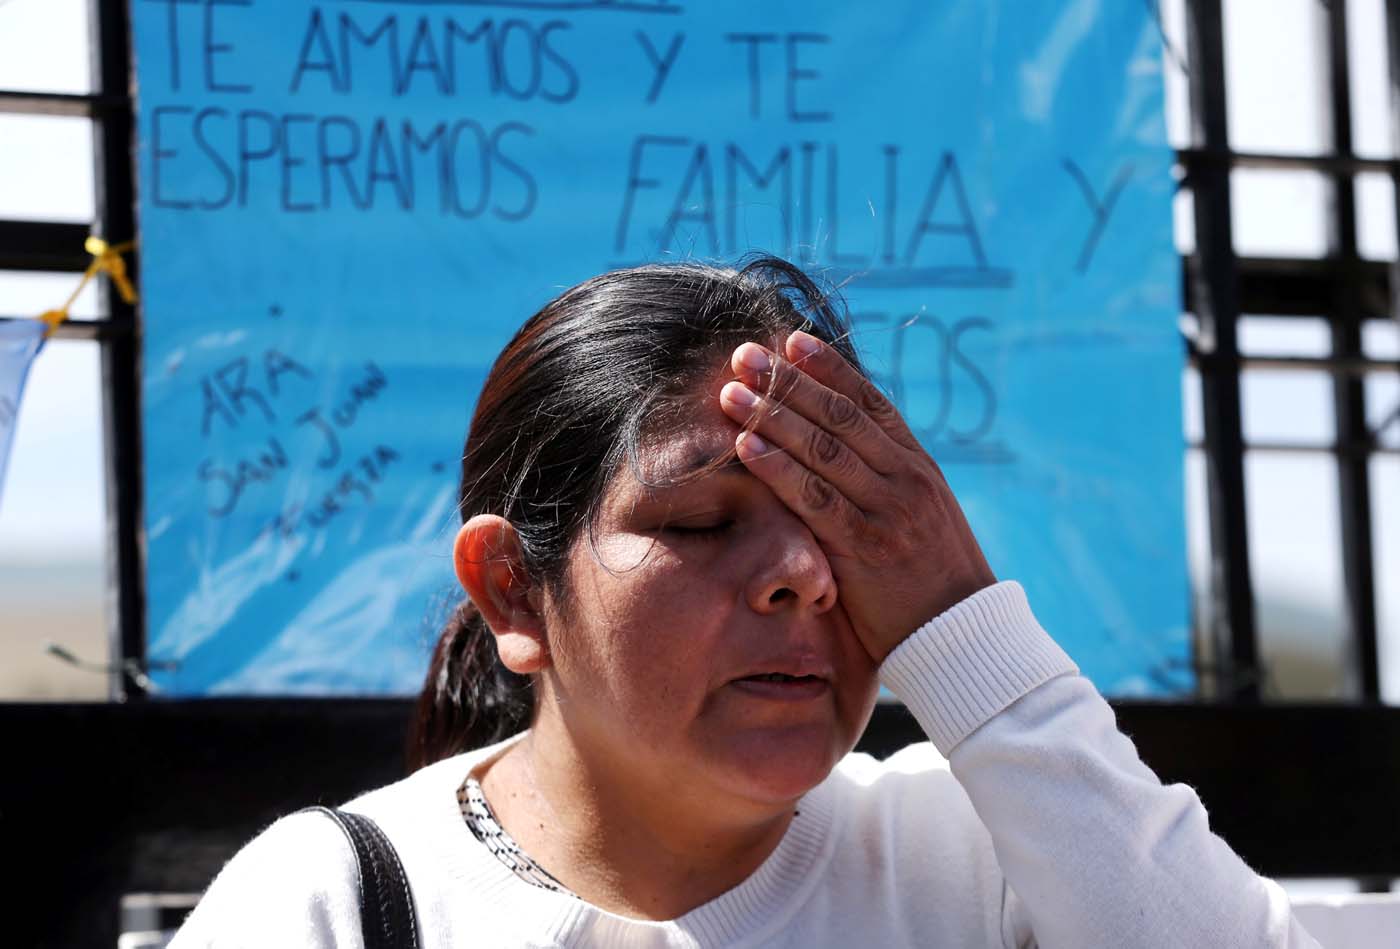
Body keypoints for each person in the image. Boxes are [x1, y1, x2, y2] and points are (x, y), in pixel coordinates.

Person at [171, 257, 1319, 948]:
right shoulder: (336, 899)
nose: (803, 573)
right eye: (699, 524)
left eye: (847, 524)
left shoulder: (969, 848)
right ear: (512, 587)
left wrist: (968, 629)